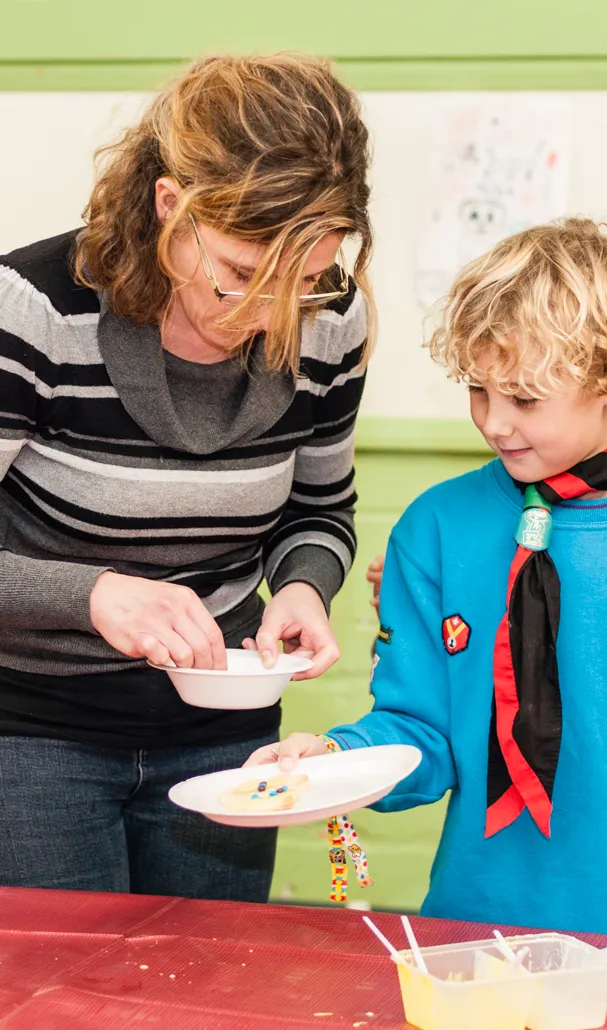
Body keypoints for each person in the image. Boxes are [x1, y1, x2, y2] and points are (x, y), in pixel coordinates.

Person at [248, 218, 607, 936]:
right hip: (482, 925)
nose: (494, 422)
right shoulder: (435, 529)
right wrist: (335, 760)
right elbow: (418, 728)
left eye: (524, 399)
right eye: (479, 390)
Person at [0, 53, 374, 901]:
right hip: (31, 733)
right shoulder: (32, 310)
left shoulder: (330, 323)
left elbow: (319, 508)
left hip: (223, 733)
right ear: (172, 205)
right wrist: (92, 594)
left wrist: (305, 586)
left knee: (206, 981)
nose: (273, 315)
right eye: (243, 273)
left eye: (306, 280)